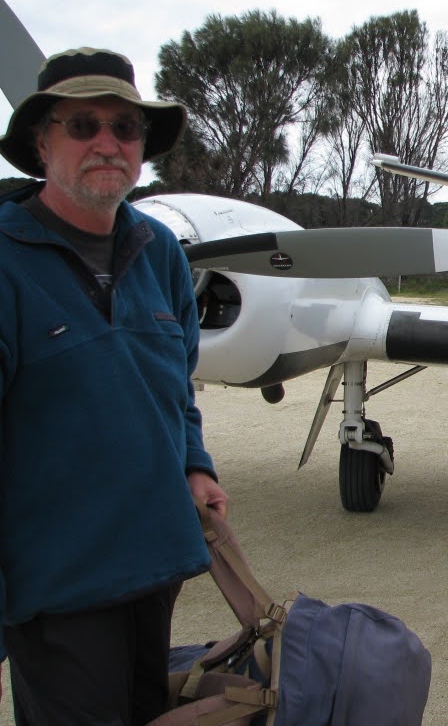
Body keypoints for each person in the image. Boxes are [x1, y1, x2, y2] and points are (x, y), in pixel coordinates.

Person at [0, 47, 228, 724]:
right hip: (58, 583)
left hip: (154, 562)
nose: (108, 143)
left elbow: (175, 386)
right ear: (42, 144)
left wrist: (194, 463)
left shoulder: (158, 250)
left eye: (125, 129)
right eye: (83, 126)